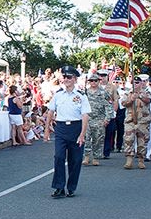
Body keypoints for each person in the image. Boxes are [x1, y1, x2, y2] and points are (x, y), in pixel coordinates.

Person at [44, 65, 90, 199]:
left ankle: (71, 187)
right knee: (58, 157)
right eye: (64, 77)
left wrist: (82, 134)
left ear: (75, 79)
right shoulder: (58, 95)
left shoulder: (81, 96)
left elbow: (85, 116)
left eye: (69, 77)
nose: (66, 79)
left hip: (76, 128)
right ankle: (59, 187)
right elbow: (50, 112)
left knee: (75, 160)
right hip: (61, 128)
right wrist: (47, 130)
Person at [83, 73, 114, 166]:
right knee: (86, 138)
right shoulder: (85, 93)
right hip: (87, 119)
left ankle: (96, 157)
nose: (93, 82)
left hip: (99, 119)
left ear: (99, 81)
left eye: (95, 81)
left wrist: (107, 118)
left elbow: (109, 106)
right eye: (91, 81)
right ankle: (86, 156)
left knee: (98, 139)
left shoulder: (103, 93)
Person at [122, 75, 151, 170]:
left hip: (142, 121)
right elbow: (123, 103)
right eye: (134, 83)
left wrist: (139, 96)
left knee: (142, 142)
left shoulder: (146, 92)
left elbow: (148, 100)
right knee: (128, 140)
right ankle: (129, 159)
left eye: (138, 82)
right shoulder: (128, 93)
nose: (136, 84)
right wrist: (131, 99)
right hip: (130, 120)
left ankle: (141, 160)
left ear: (141, 83)